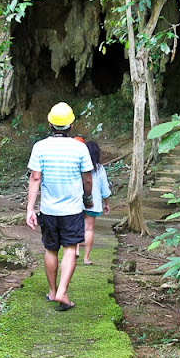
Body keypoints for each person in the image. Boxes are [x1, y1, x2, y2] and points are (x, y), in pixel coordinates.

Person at [26, 102, 94, 311]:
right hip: (72, 210)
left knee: (51, 250)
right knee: (70, 249)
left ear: (50, 124)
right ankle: (63, 290)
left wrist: (30, 209)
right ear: (71, 124)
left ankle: (53, 291)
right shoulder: (79, 147)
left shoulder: (40, 147)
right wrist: (88, 198)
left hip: (49, 210)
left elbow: (35, 178)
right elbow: (87, 179)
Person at [81, 141, 111, 265]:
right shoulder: (100, 169)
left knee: (76, 227)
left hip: (77, 201)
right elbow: (105, 188)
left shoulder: (79, 167)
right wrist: (107, 203)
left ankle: (75, 251)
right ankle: (86, 258)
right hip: (93, 203)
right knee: (89, 229)